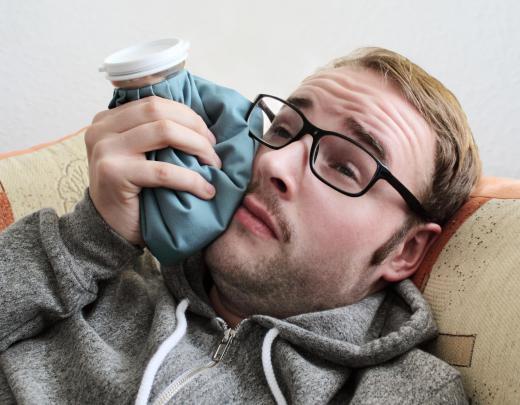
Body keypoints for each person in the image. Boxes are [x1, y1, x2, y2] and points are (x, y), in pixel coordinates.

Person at [0, 47, 480, 404]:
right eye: (284, 130)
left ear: (406, 251)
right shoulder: (86, 274)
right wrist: (88, 240)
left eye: (346, 166)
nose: (274, 163)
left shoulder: (404, 392)